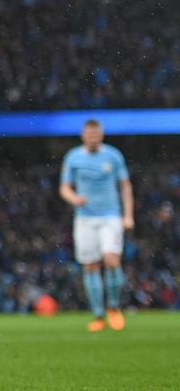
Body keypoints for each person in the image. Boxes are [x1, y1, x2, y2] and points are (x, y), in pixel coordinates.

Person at [59, 119, 134, 332]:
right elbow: (64, 188)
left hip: (110, 215)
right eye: (89, 135)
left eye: (96, 135)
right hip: (85, 218)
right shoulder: (73, 157)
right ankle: (98, 315)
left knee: (111, 259)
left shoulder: (113, 155)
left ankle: (113, 307)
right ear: (83, 136)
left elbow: (125, 186)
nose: (93, 138)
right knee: (90, 265)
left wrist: (128, 215)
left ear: (101, 135)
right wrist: (73, 198)